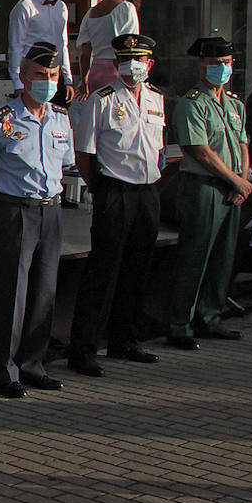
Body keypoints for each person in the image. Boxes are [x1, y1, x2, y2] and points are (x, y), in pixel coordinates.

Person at [0, 42, 75, 398]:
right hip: (15, 210)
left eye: (52, 76)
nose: (47, 82)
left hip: (51, 210)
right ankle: (4, 368)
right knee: (11, 293)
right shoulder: (3, 118)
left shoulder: (61, 118)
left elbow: (65, 165)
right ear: (23, 77)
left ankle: (33, 364)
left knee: (45, 291)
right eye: (40, 76)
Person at [66, 34, 165, 377]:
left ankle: (125, 339)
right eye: (125, 60)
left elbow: (158, 149)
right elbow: (84, 153)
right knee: (103, 270)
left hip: (148, 191)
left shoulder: (156, 99)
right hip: (114, 190)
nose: (131, 66)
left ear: (149, 65)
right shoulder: (102, 99)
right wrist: (99, 188)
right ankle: (83, 350)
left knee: (137, 268)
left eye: (138, 60)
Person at [163, 36, 250, 348]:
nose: (221, 69)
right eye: (214, 64)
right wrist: (234, 180)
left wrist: (242, 180)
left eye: (225, 64)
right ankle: (179, 325)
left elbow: (242, 144)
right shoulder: (191, 104)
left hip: (232, 188)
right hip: (203, 187)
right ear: (201, 65)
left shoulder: (234, 103)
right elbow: (200, 151)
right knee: (194, 257)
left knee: (222, 258)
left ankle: (210, 317)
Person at [8, 0, 75, 101]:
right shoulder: (25, 7)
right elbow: (16, 47)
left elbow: (63, 45)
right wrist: (18, 83)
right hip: (33, 75)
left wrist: (68, 79)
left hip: (55, 76)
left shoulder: (61, 7)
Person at [76, 0, 142, 96]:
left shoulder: (91, 12)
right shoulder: (126, 8)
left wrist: (84, 80)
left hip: (95, 72)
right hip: (117, 70)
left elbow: (85, 52)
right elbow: (130, 46)